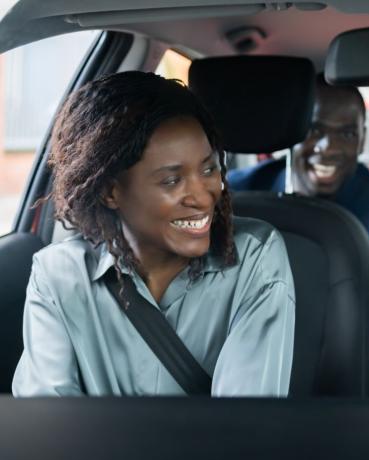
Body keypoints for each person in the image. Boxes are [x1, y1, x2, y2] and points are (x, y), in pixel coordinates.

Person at [13, 71, 295, 397]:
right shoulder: (58, 275)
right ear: (110, 192)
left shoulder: (255, 257)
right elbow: (47, 415)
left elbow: (245, 420)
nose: (203, 197)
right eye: (171, 180)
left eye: (208, 169)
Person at [228, 77, 369, 396]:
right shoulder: (239, 191)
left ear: (363, 140)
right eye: (315, 130)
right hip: (249, 333)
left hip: (349, 338)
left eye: (347, 134)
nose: (329, 148)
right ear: (291, 133)